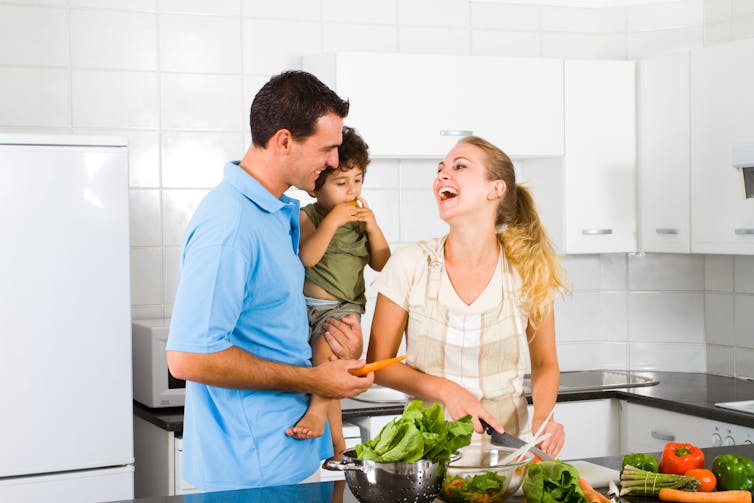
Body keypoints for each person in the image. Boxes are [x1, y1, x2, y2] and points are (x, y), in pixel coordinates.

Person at [165, 70, 375, 492]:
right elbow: (189, 359)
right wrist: (315, 381)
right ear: (284, 141)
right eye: (327, 149)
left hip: (287, 456)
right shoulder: (230, 225)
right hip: (248, 469)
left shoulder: (278, 214)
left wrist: (333, 344)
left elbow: (274, 322)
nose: (335, 161)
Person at [366, 135, 569, 457]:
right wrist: (447, 391)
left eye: (459, 166)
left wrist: (545, 420)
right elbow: (377, 365)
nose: (442, 175)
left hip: (508, 457)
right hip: (426, 457)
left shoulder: (528, 270)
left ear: (495, 189)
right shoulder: (410, 264)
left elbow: (545, 363)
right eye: (440, 169)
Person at [285, 126, 391, 459]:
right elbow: (308, 257)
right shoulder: (308, 215)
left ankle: (322, 421)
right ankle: (337, 446)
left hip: (344, 309)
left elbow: (382, 262)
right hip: (309, 306)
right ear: (317, 187)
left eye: (357, 181)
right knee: (326, 370)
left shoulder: (362, 221)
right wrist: (332, 222)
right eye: (341, 183)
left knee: (325, 357)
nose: (351, 191)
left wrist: (372, 227)